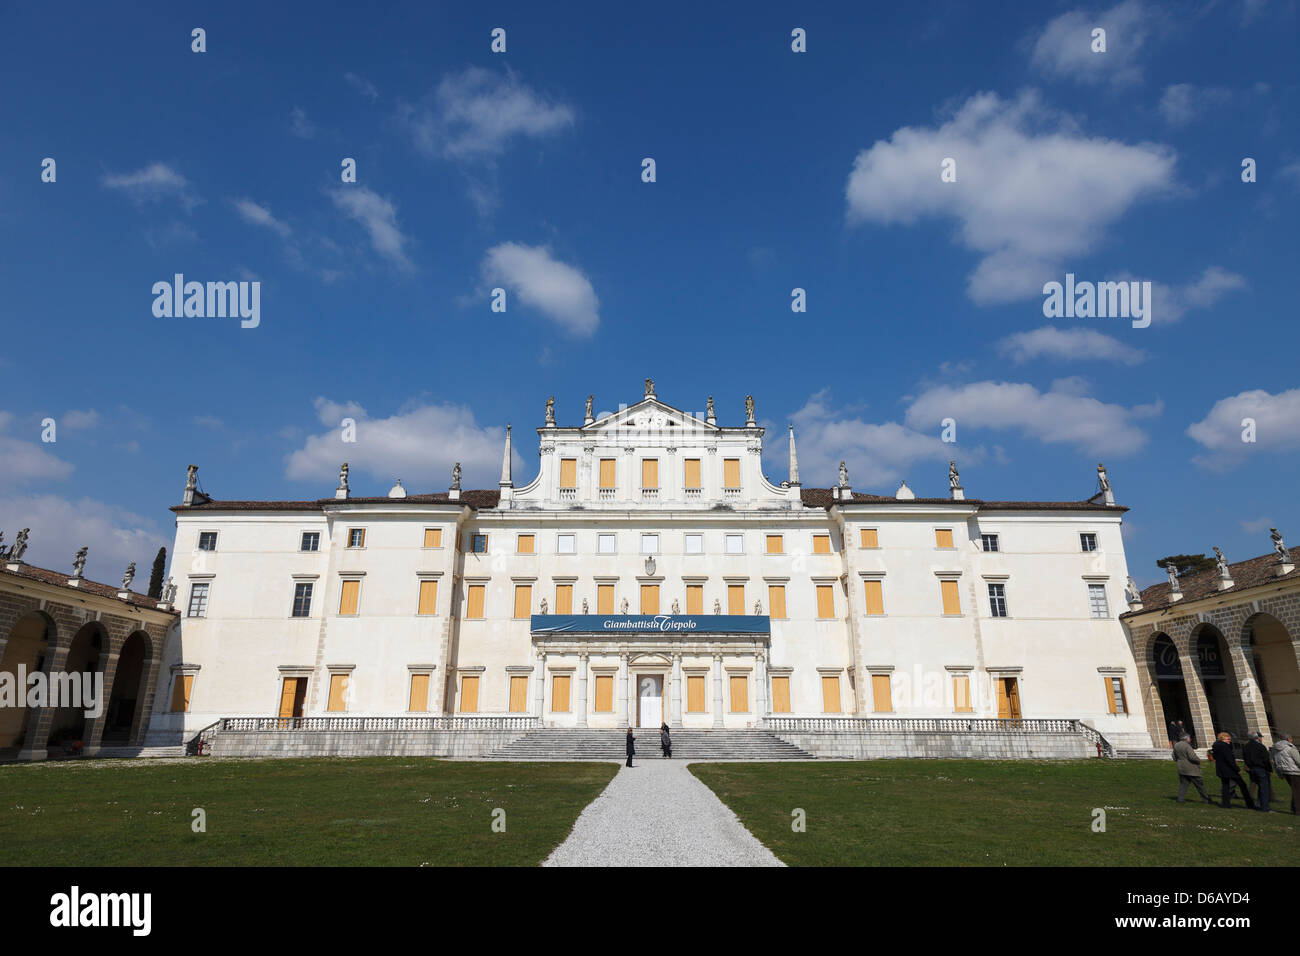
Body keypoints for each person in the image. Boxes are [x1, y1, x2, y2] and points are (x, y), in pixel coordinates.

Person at [1209, 732, 1256, 809]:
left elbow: (1215, 757)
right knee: (1242, 785)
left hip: (1222, 769)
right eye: (1228, 739)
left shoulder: (1216, 746)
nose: (1229, 741)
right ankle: (1250, 804)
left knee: (1225, 787)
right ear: (1222, 739)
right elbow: (1229, 759)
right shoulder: (1224, 747)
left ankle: (1225, 804)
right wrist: (1237, 769)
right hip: (1230, 769)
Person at [1172, 734, 1212, 804]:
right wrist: (1198, 760)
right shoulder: (1187, 746)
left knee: (1183, 784)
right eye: (1189, 738)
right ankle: (1206, 799)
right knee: (1200, 785)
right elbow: (1192, 757)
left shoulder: (1176, 745)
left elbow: (1174, 756)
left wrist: (1179, 760)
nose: (1190, 739)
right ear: (1186, 739)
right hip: (1191, 768)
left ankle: (1180, 799)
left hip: (1181, 767)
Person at [1269, 732, 1300, 814]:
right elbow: (1298, 760)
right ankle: (1297, 810)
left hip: (1284, 771)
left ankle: (1294, 808)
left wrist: (1279, 773)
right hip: (1294, 771)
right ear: (1289, 739)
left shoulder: (1275, 748)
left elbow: (1274, 761)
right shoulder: (1290, 747)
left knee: (1295, 790)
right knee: (1297, 791)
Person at [1242, 731, 1273, 812]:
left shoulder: (1246, 746)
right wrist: (1269, 769)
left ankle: (1259, 804)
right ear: (1257, 738)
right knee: (1264, 788)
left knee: (1259, 786)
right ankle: (1265, 807)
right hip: (1260, 768)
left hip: (1251, 768)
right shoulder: (1260, 746)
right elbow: (1266, 759)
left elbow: (1245, 757)